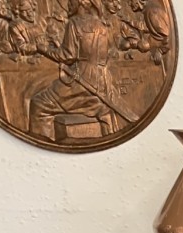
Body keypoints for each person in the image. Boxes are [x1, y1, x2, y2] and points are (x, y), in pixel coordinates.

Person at [28, 0, 119, 140]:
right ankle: (100, 111)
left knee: (38, 103)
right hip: (102, 81)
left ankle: (43, 143)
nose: (68, 5)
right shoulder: (102, 25)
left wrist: (43, 48)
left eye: (71, 1)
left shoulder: (74, 23)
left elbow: (67, 55)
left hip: (81, 82)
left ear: (81, 3)